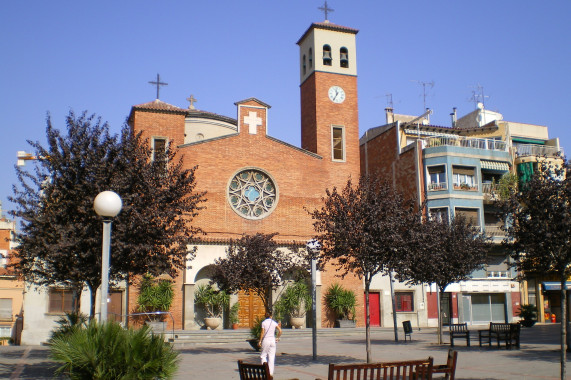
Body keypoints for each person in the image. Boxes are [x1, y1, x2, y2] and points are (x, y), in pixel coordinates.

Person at [258, 311, 282, 376]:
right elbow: (280, 330)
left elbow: (262, 332)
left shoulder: (264, 323)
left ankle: (265, 370)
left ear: (265, 316)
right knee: (271, 357)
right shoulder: (274, 322)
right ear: (271, 316)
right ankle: (270, 373)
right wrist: (277, 337)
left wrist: (260, 340)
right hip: (272, 340)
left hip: (266, 339)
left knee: (263, 355)